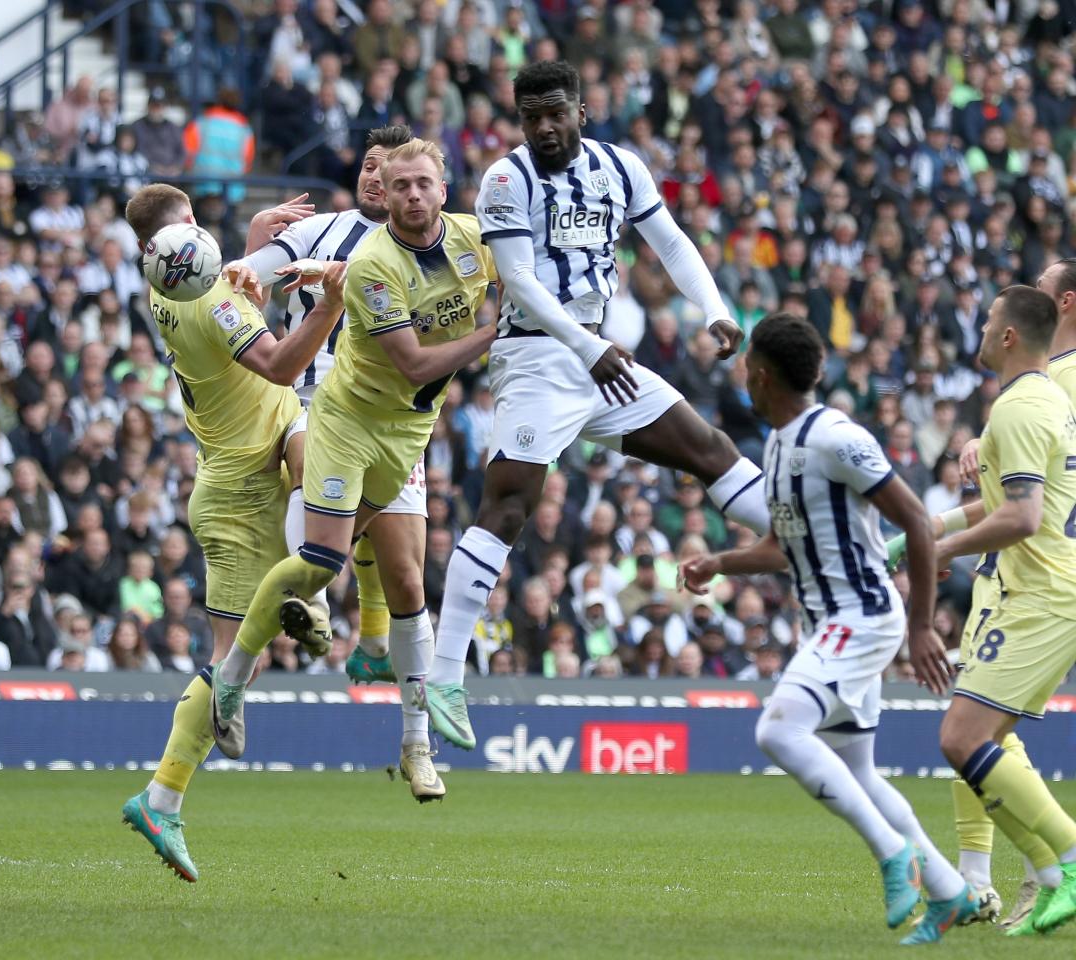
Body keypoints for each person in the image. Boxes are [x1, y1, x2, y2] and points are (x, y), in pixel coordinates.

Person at [423, 61, 767, 750]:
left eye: (556, 112)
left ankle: (828, 539)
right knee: (510, 505)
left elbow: (668, 240)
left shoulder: (621, 166)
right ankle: (444, 674)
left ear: (581, 108)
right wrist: (586, 348)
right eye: (530, 116)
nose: (544, 127)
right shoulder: (504, 180)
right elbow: (517, 282)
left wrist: (715, 310)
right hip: (539, 359)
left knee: (710, 451)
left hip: (598, 357)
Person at [209, 138, 497, 808]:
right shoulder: (364, 256)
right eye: (391, 180)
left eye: (421, 181)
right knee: (319, 558)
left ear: (443, 189)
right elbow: (418, 365)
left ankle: (415, 745)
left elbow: (520, 266)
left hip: (407, 431)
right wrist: (244, 265)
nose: (406, 192)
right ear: (378, 188)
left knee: (406, 577)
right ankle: (238, 669)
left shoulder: (472, 240)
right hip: (333, 412)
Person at [680, 313, 975, 944]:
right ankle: (951, 892)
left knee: (779, 729)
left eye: (746, 370)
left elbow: (918, 522)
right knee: (859, 771)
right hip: (831, 620)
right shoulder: (781, 442)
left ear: (759, 375)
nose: (742, 381)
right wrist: (721, 561)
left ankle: (895, 856)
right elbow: (786, 544)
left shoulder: (836, 437)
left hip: (862, 616)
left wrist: (922, 628)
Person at [117, 181, 349, 882]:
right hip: (241, 489)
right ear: (189, 224)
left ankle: (311, 606)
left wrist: (254, 244)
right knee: (226, 665)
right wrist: (333, 302)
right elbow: (280, 362)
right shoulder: (212, 299)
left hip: (247, 456)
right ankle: (164, 793)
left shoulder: (167, 280)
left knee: (319, 447)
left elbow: (230, 292)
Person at [911, 285, 1076, 937]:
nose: (978, 330)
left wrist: (941, 545)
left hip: (1038, 595)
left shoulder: (1022, 409)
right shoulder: (1042, 403)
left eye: (987, 321)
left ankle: (1061, 860)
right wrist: (932, 532)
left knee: (961, 737)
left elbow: (1024, 515)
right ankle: (1047, 873)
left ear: (1009, 336)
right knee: (979, 740)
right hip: (1035, 590)